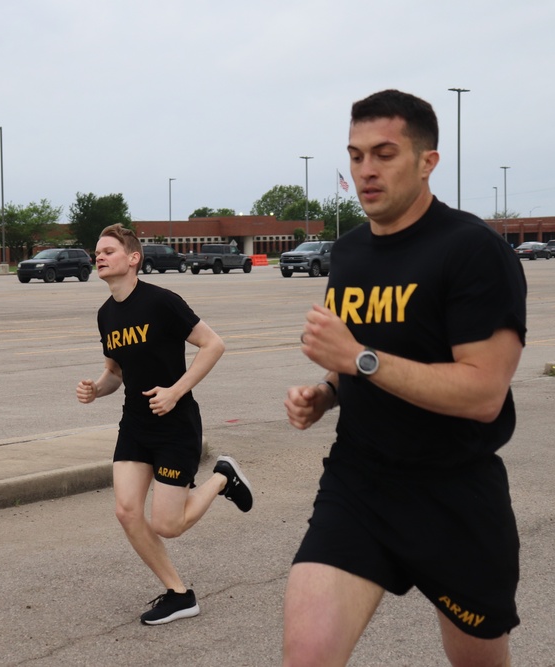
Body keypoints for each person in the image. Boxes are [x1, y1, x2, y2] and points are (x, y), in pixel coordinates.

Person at [282, 90, 527, 667]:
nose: (366, 170)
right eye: (356, 154)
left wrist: (358, 358)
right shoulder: (347, 255)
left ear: (427, 160)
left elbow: (484, 394)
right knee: (306, 657)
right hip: (359, 487)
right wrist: (327, 392)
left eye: (385, 154)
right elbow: (360, 364)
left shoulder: (473, 251)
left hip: (454, 496)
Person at [77, 223, 254, 625]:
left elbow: (214, 344)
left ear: (133, 258)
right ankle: (179, 593)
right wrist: (95, 389)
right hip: (135, 426)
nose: (99, 256)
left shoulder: (162, 302)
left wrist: (176, 390)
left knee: (168, 525)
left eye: (108, 251)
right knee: (126, 511)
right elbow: (115, 373)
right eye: (97, 251)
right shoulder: (106, 315)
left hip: (175, 425)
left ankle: (223, 477)